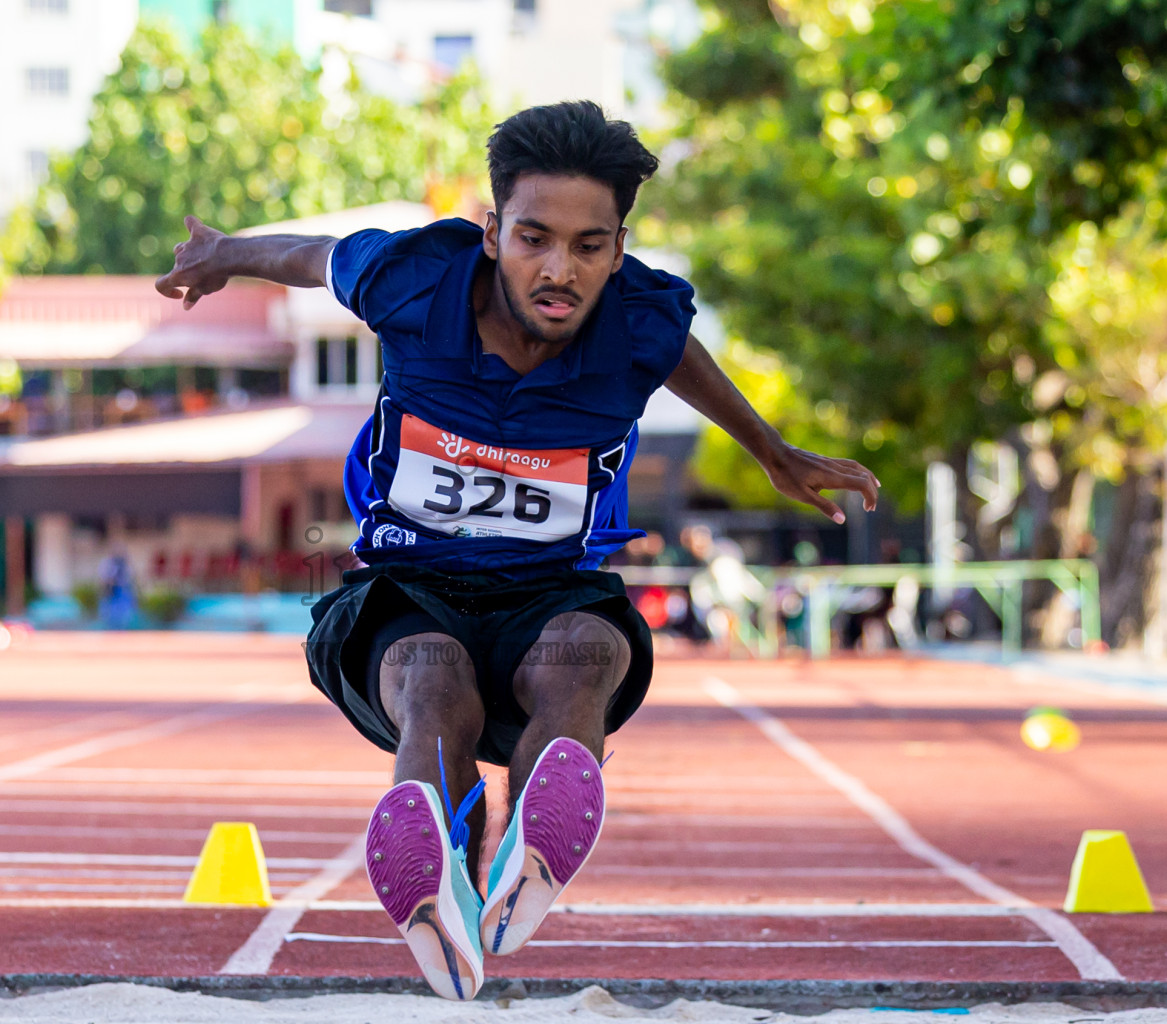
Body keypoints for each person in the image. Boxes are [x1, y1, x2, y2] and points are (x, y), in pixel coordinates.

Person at [157, 101, 878, 1000]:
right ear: (492, 231)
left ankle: (527, 853)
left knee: (587, 658)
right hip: (405, 592)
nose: (559, 270)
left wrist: (771, 450)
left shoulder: (638, 320)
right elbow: (309, 258)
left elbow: (676, 353)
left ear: (618, 249)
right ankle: (441, 886)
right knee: (434, 683)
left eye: (589, 246)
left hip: (554, 593)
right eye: (535, 238)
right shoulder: (412, 278)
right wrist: (225, 252)